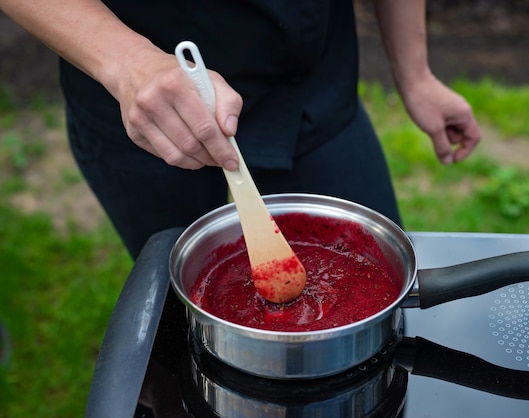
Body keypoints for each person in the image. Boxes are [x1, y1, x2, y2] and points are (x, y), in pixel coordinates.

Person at [1, 0, 481, 416]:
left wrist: (415, 73)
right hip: (145, 110)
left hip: (311, 86)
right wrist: (127, 61)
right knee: (174, 346)